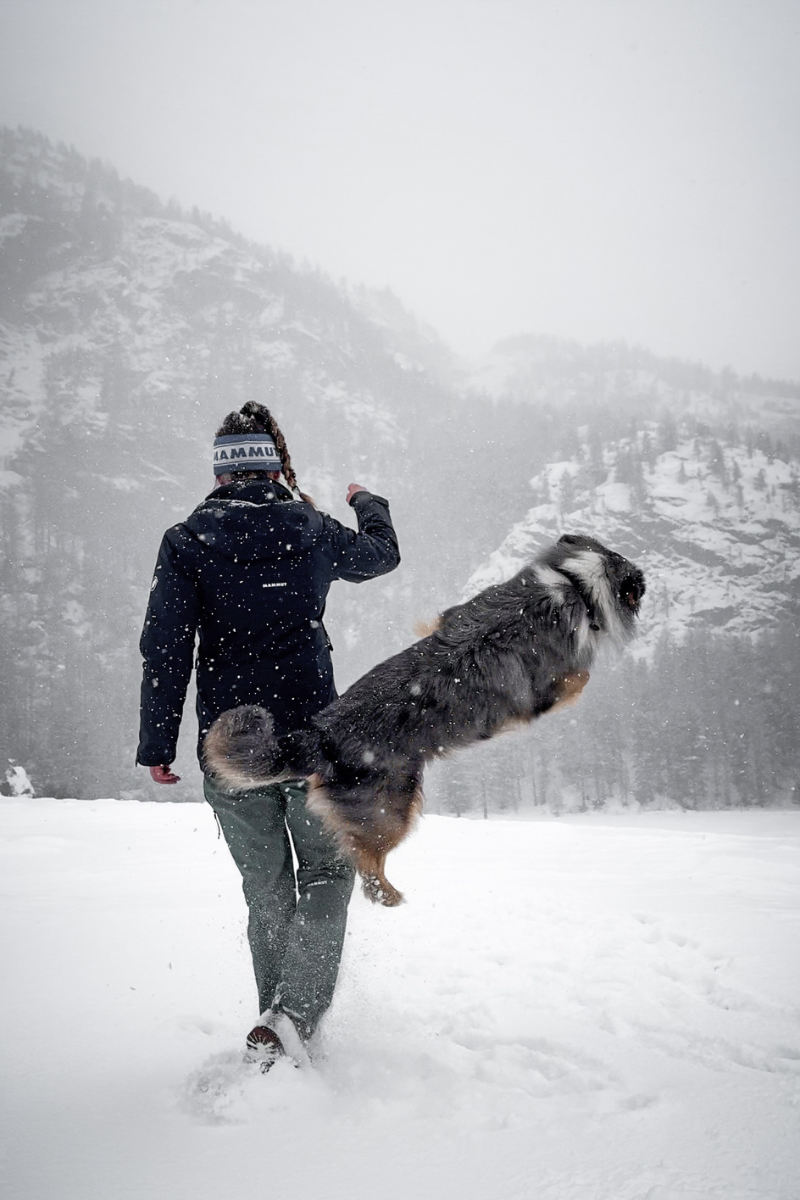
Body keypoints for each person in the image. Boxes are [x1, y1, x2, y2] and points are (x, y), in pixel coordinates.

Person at [136, 401, 400, 1066]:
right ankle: (291, 1019)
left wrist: (158, 745)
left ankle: (277, 1027)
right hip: (314, 743)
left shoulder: (187, 539)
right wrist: (371, 502)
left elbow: (167, 649)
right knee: (327, 876)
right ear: (275, 463)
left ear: (222, 472)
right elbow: (381, 556)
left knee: (266, 891)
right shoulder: (311, 527)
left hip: (232, 753)